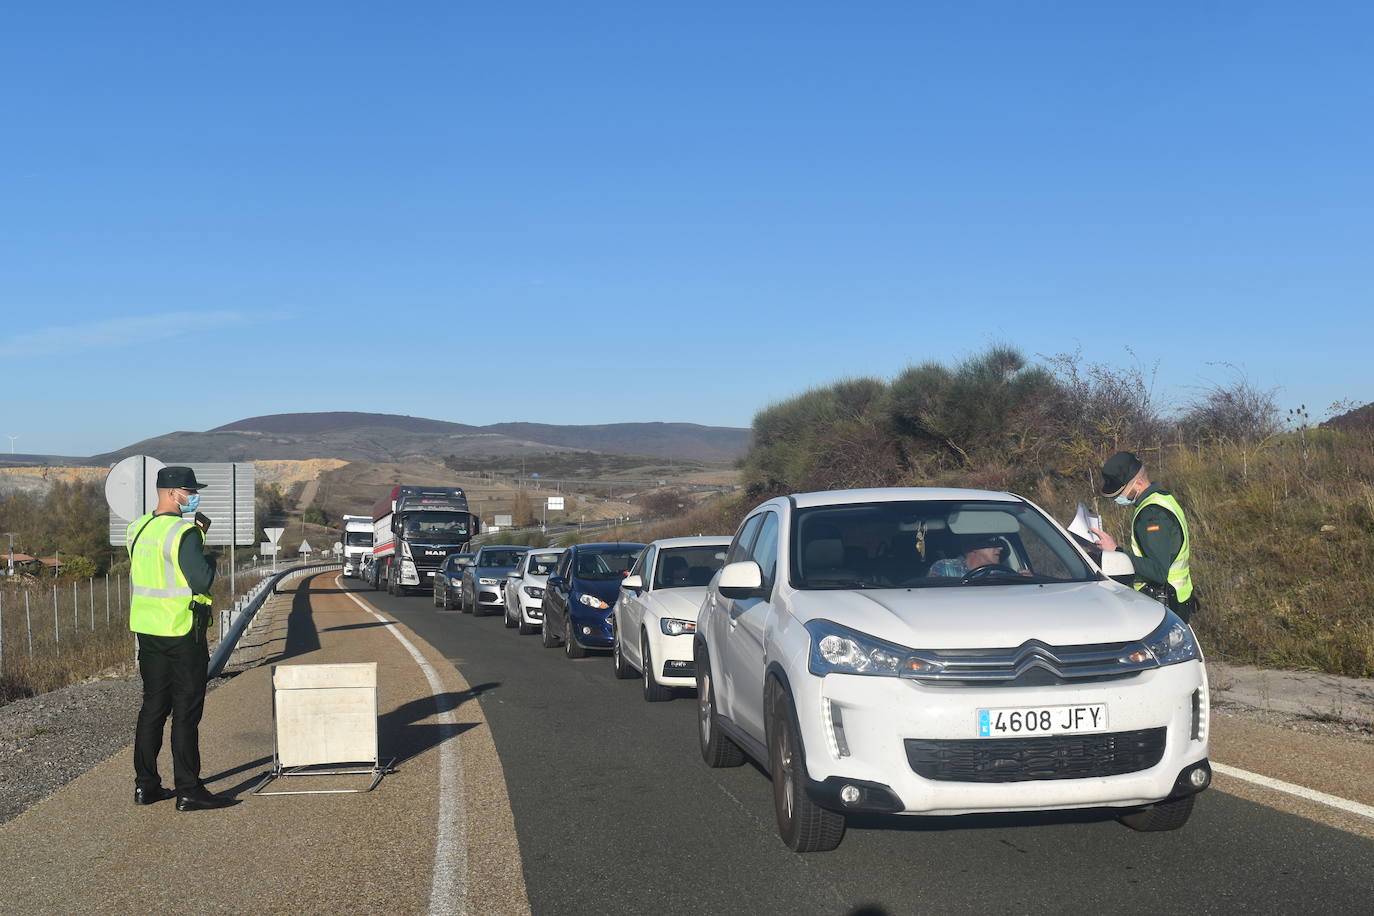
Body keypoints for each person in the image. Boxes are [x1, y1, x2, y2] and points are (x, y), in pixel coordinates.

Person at [127, 466, 233, 811]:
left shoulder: (137, 529)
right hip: (183, 631)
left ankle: (146, 786)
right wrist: (205, 546)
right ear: (173, 493)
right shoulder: (184, 532)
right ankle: (189, 789)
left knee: (153, 709)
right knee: (186, 713)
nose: (193, 496)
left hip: (148, 631)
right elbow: (200, 580)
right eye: (190, 491)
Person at [1089, 450, 1198, 622]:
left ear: (1138, 483)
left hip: (1165, 604)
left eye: (1120, 492)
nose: (1117, 498)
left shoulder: (1152, 515)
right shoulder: (1162, 498)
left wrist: (1116, 552)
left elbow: (1158, 571)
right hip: (1175, 600)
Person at [928, 536, 1006, 577]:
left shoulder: (1000, 575)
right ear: (974, 547)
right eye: (992, 543)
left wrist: (1016, 579)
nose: (1000, 548)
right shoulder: (945, 568)